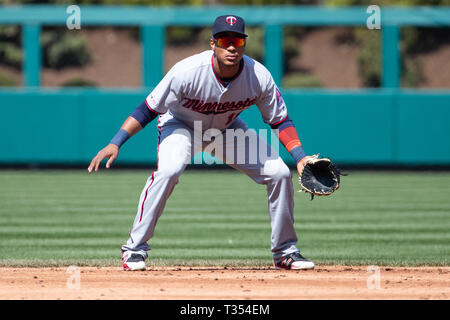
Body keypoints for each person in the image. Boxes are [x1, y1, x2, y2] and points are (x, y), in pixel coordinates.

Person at [88, 15, 316, 271]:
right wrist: (116, 142)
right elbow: (148, 109)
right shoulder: (187, 71)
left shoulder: (258, 75)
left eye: (237, 41)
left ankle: (285, 252)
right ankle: (134, 250)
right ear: (213, 44)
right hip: (181, 126)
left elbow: (280, 120)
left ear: (244, 44)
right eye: (224, 40)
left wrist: (300, 157)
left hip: (227, 130)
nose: (231, 47)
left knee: (279, 173)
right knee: (169, 171)